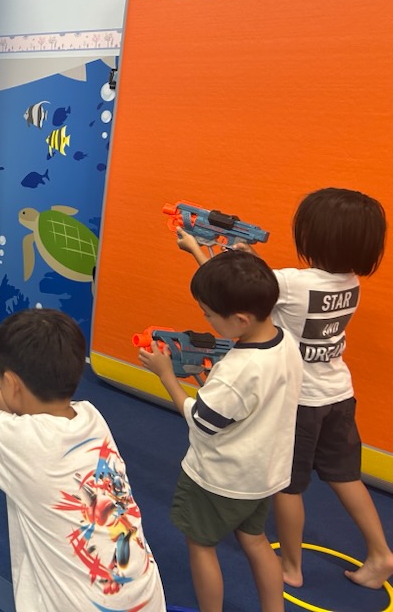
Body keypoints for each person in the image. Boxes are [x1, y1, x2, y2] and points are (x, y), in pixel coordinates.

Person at [177, 188, 393, 589]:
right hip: (338, 393)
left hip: (301, 401)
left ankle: (291, 566)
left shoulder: (291, 282)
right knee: (346, 476)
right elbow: (278, 293)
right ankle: (381, 553)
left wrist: (195, 248)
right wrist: (250, 257)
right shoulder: (350, 282)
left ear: (318, 238)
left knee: (287, 486)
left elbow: (231, 292)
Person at [0, 308, 167, 612]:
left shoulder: (20, 441)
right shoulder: (90, 416)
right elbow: (23, 416)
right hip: (146, 598)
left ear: (12, 383)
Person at [138, 250, 302, 612]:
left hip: (219, 479)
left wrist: (166, 375)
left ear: (241, 320)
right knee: (256, 541)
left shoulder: (236, 371)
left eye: (209, 315)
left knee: (201, 546)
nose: (206, 320)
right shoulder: (287, 341)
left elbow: (202, 420)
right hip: (263, 475)